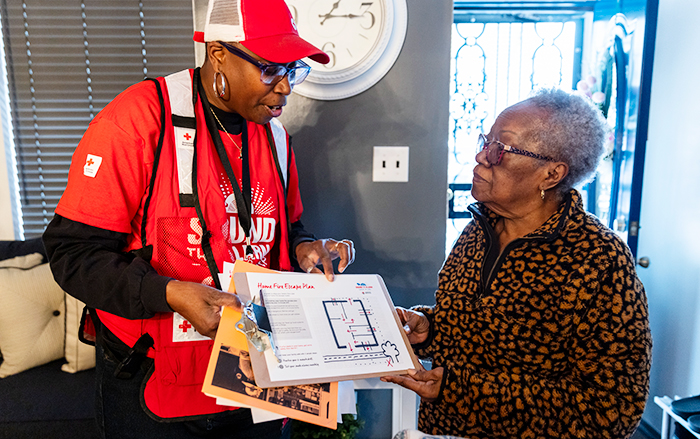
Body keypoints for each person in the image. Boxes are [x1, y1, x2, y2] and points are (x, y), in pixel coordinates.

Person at [42, 0, 355, 438]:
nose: (286, 88)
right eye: (270, 69)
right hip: (154, 379)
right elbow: (72, 254)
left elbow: (287, 229)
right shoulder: (138, 120)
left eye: (293, 69)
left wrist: (305, 248)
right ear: (219, 53)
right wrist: (165, 292)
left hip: (253, 376)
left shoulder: (277, 138)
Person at [382, 88, 652, 439]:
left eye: (500, 149)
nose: (481, 156)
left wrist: (462, 391)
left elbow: (610, 410)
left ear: (551, 174)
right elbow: (481, 330)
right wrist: (430, 328)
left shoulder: (599, 260)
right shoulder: (478, 232)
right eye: (485, 141)